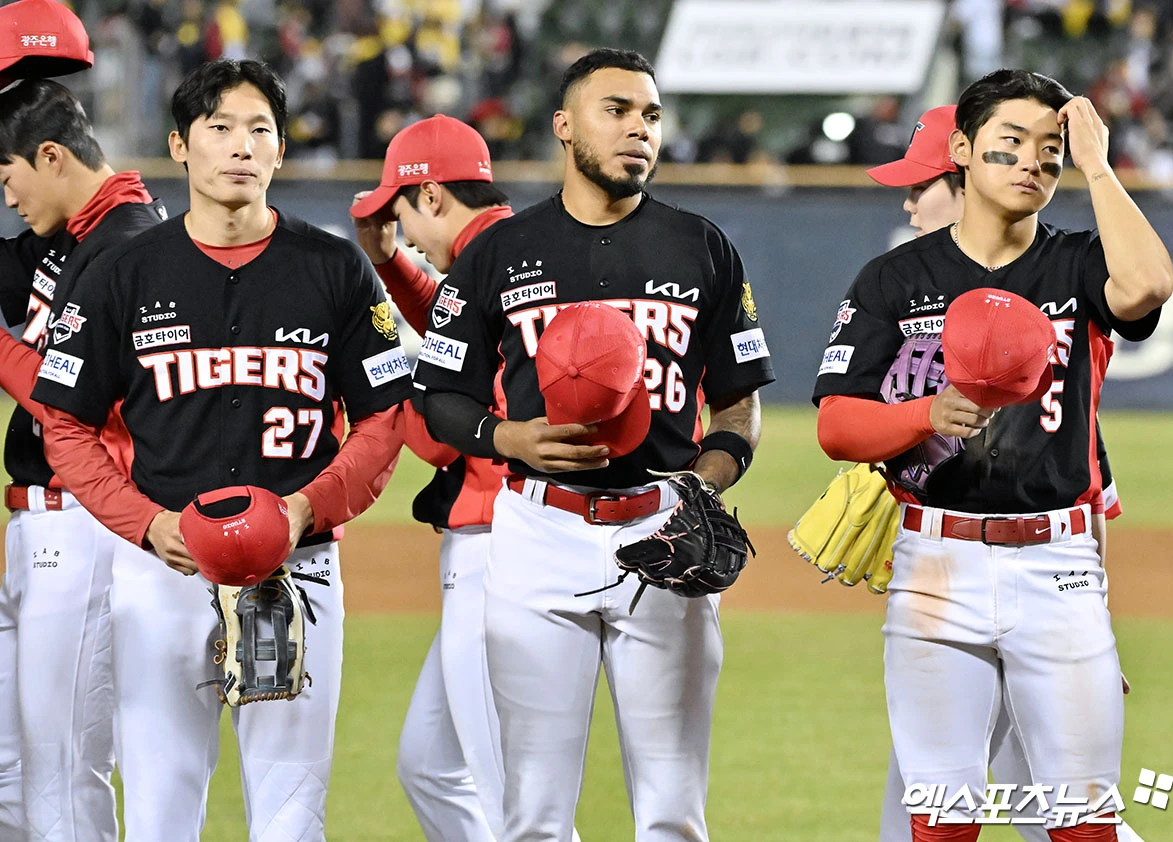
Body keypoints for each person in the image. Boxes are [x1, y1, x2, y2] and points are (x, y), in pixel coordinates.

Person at [30, 59, 411, 841]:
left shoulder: (336, 268)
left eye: (260, 130)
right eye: (220, 128)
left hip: (295, 572)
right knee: (162, 816)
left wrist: (310, 507)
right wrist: (144, 524)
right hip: (163, 571)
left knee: (291, 817)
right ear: (180, 145)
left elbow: (385, 416)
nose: (241, 146)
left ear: (279, 153)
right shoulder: (123, 272)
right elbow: (62, 422)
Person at [413, 47, 774, 841]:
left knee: (674, 815)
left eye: (650, 114)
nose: (638, 129)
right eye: (616, 110)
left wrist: (701, 487)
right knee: (533, 815)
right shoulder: (498, 253)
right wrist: (505, 435)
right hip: (538, 533)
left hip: (663, 529)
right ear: (565, 126)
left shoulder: (701, 245)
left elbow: (739, 403)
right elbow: (440, 394)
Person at [815, 69, 1172, 840]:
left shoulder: (1077, 263)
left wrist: (1099, 166)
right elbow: (837, 424)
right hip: (937, 564)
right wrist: (920, 415)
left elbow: (1148, 283)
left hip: (1060, 563)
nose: (1032, 164)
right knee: (942, 822)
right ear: (963, 151)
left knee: (1084, 822)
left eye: (1050, 152)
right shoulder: (895, 278)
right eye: (1010, 145)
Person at [0, 9, 165, 841]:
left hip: (83, 523)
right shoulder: (77, 235)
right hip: (47, 528)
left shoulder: (127, 244)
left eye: (9, 177)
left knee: (65, 777)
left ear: (53, 159)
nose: (7, 195)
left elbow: (75, 403)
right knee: (21, 780)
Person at [350, 114, 512, 840]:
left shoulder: (485, 267)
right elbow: (457, 313)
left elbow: (434, 441)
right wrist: (390, 265)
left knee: (512, 796)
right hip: (510, 534)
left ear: (436, 198)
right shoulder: (515, 255)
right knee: (431, 763)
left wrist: (395, 378)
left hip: (499, 545)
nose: (403, 229)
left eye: (404, 210)